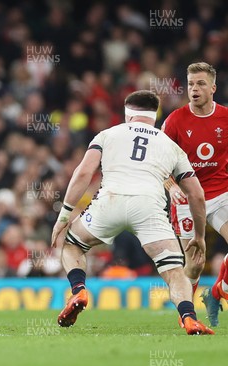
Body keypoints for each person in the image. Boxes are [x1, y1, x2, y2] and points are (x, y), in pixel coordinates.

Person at [51, 90, 214, 335]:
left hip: (110, 201)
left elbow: (83, 173)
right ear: (154, 118)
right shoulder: (170, 145)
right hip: (149, 206)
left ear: (128, 116)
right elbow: (197, 195)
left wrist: (64, 216)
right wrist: (199, 237)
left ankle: (78, 291)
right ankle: (189, 317)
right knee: (173, 270)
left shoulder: (107, 134)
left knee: (73, 244)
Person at [161, 62, 228, 327]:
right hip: (188, 199)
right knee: (195, 264)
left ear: (213, 87)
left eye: (200, 84)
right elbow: (159, 162)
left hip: (222, 193)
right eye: (190, 84)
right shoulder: (175, 120)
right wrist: (172, 186)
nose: (194, 89)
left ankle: (215, 292)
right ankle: (187, 315)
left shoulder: (225, 118)